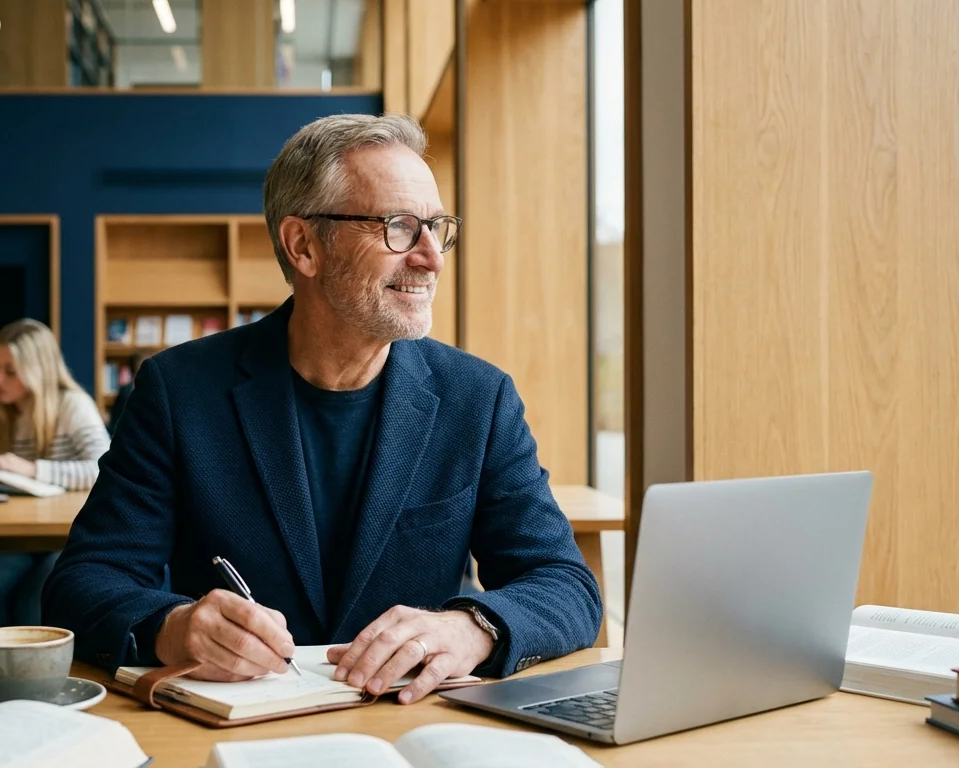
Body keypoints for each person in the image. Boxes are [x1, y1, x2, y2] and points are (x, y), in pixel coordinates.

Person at [43, 114, 603, 705]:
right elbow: (82, 583)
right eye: (398, 227)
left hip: (410, 728)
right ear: (303, 245)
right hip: (236, 729)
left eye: (436, 227)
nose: (432, 257)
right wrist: (171, 626)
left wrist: (472, 628)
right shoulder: (177, 391)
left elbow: (566, 585)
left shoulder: (479, 399)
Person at [0, 318, 109, 626]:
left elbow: (103, 469)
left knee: (41, 594)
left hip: (67, 536)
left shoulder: (73, 406)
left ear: (37, 370)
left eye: (10, 371)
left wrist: (32, 469)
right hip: (12, 537)